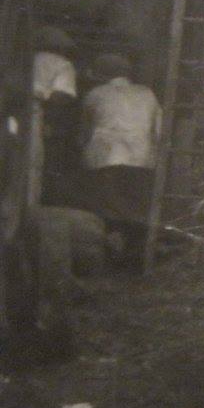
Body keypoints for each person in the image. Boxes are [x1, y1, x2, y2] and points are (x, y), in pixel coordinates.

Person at [79, 53, 162, 269]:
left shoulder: (95, 94)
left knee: (107, 210)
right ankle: (133, 262)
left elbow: (85, 131)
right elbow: (159, 132)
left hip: (106, 158)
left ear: (102, 75)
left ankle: (108, 260)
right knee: (135, 209)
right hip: (141, 160)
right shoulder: (148, 94)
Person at [30, 26, 79, 204]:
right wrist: (51, 122)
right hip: (34, 114)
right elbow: (60, 97)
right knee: (32, 163)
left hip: (12, 111)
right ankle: (29, 205)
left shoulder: (23, 59)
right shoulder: (62, 64)